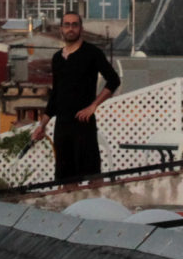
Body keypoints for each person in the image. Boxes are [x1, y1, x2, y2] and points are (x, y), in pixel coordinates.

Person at [32, 10, 121, 182]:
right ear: (61, 29)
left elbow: (113, 80)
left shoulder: (92, 53)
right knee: (65, 179)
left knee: (93, 176)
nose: (71, 28)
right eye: (67, 25)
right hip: (62, 126)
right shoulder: (57, 58)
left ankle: (93, 208)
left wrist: (93, 106)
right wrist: (42, 125)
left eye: (75, 25)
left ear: (80, 28)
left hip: (83, 124)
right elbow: (55, 94)